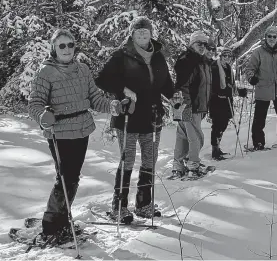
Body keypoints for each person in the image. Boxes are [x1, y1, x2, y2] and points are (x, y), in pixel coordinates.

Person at [28, 29, 114, 240]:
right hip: (59, 131)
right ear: (54, 48)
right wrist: (42, 116)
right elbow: (34, 104)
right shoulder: (45, 72)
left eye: (70, 45)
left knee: (72, 178)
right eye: (62, 45)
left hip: (82, 128)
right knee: (65, 178)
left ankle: (62, 219)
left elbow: (95, 98)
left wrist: (113, 106)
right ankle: (51, 225)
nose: (67, 49)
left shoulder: (83, 69)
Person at [95, 16, 175, 222]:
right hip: (128, 116)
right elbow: (102, 79)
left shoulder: (157, 56)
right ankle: (119, 207)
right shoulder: (121, 56)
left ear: (151, 34)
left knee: (150, 159)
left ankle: (144, 203)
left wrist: (174, 96)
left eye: (145, 31)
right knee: (128, 159)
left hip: (152, 116)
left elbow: (165, 82)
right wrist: (123, 89)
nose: (142, 34)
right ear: (132, 34)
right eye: (138, 31)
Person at [245, 26, 277, 150]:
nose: (272, 39)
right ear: (265, 37)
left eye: (274, 36)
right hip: (263, 87)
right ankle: (258, 143)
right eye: (269, 36)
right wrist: (251, 78)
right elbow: (249, 69)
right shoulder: (258, 52)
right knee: (260, 118)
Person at [172, 31, 215, 177]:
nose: (203, 47)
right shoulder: (189, 60)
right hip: (189, 106)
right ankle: (193, 167)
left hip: (191, 105)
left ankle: (178, 167)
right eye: (199, 44)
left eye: (205, 44)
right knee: (196, 138)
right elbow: (182, 86)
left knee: (183, 136)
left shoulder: (201, 61)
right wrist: (186, 106)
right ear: (192, 44)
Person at [209, 48, 247, 160]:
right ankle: (215, 150)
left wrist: (239, 92)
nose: (227, 58)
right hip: (216, 100)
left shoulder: (229, 68)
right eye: (224, 56)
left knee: (224, 124)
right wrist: (224, 90)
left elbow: (231, 86)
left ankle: (218, 147)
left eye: (229, 56)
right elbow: (213, 85)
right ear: (220, 56)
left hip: (226, 101)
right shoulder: (215, 67)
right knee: (217, 124)